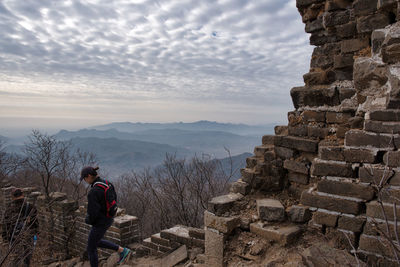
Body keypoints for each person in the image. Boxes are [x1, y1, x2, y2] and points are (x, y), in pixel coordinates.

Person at [80, 166, 131, 266]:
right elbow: (114, 199)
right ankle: (122, 250)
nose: (85, 181)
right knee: (95, 241)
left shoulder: (93, 192)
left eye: (84, 178)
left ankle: (123, 251)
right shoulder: (107, 183)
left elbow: (93, 213)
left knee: (91, 248)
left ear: (89, 176)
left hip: (100, 222)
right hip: (109, 218)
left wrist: (89, 220)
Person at [1, 188, 38, 267]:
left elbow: (5, 226)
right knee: (27, 258)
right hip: (28, 237)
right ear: (23, 195)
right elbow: (35, 224)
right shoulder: (31, 207)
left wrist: (5, 239)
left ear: (13, 197)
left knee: (16, 259)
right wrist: (34, 234)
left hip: (14, 238)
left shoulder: (9, 209)